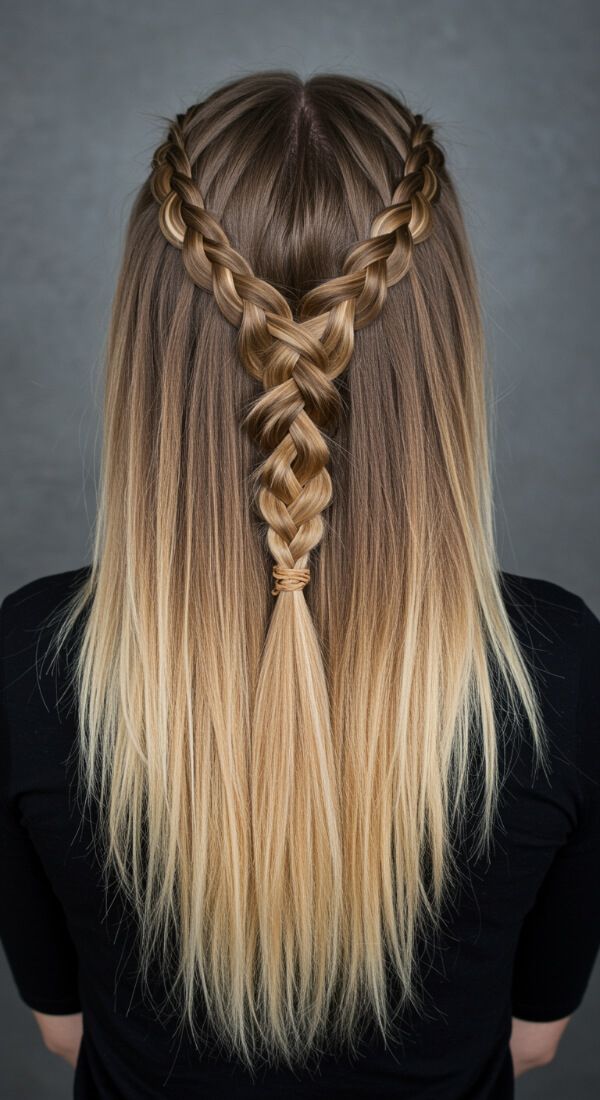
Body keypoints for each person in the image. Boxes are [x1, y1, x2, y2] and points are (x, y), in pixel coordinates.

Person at [0, 70, 599, 1100]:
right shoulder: (555, 666)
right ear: (445, 334)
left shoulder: (31, 660)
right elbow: (534, 1038)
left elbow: (62, 1028)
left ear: (144, 338)